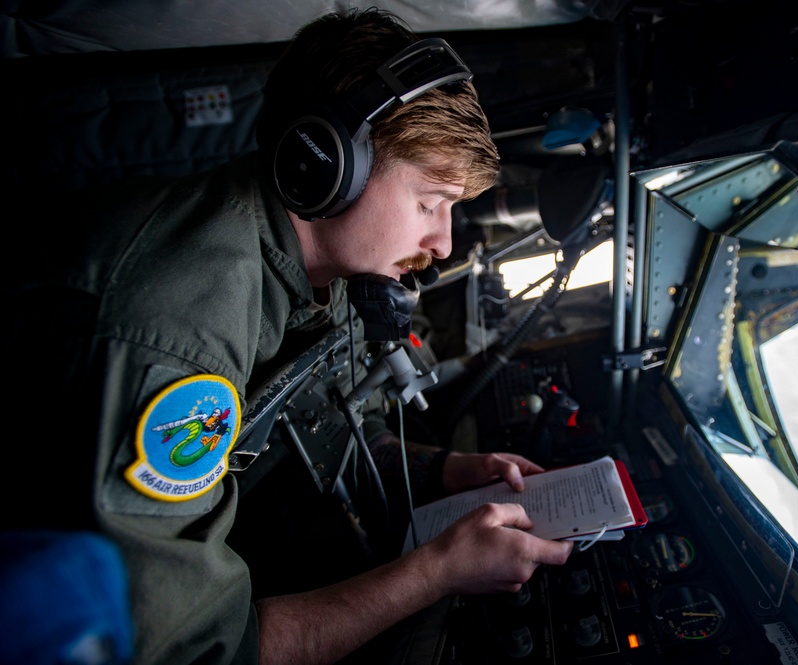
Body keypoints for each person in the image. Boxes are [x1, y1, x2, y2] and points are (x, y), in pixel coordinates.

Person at [1, 7, 574, 664]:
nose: (442, 243)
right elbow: (196, 651)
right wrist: (434, 574)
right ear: (325, 164)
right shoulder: (179, 329)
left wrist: (442, 470)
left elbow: (324, 425)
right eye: (428, 202)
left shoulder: (319, 270)